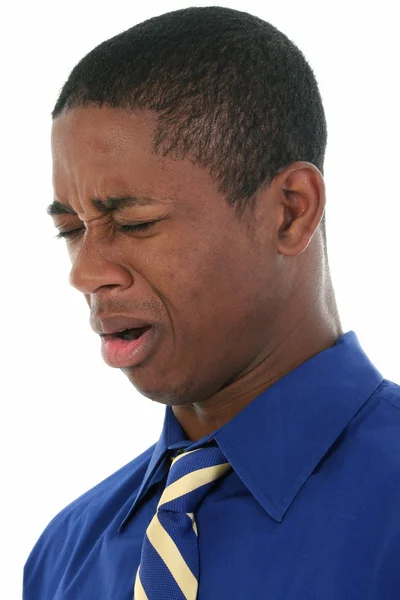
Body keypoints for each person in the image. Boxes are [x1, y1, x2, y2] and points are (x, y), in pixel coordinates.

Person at [23, 6, 400, 600]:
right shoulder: (63, 555)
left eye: (136, 222)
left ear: (290, 211)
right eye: (71, 229)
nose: (86, 273)